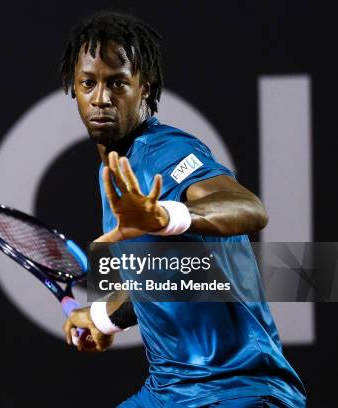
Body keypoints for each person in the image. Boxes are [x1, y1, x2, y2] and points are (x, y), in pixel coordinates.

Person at [59, 11, 306, 407]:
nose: (100, 98)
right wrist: (103, 317)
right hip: (167, 392)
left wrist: (169, 216)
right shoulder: (113, 172)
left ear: (145, 89)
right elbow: (163, 276)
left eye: (118, 83)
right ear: (74, 88)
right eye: (88, 83)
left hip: (238, 390)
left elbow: (249, 208)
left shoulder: (165, 151)